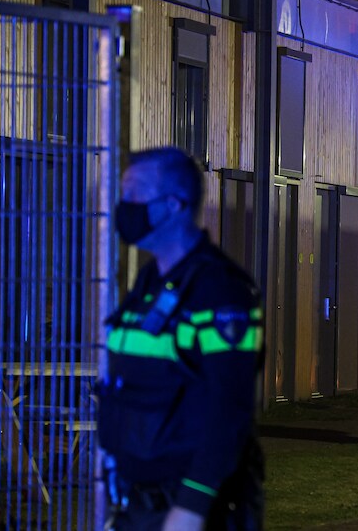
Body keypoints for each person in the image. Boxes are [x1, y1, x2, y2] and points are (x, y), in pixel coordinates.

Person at [98, 147, 264, 530]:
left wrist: (190, 508)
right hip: (140, 502)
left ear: (173, 205)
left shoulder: (220, 291)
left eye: (134, 194)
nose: (124, 206)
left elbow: (230, 409)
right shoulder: (149, 283)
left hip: (191, 510)